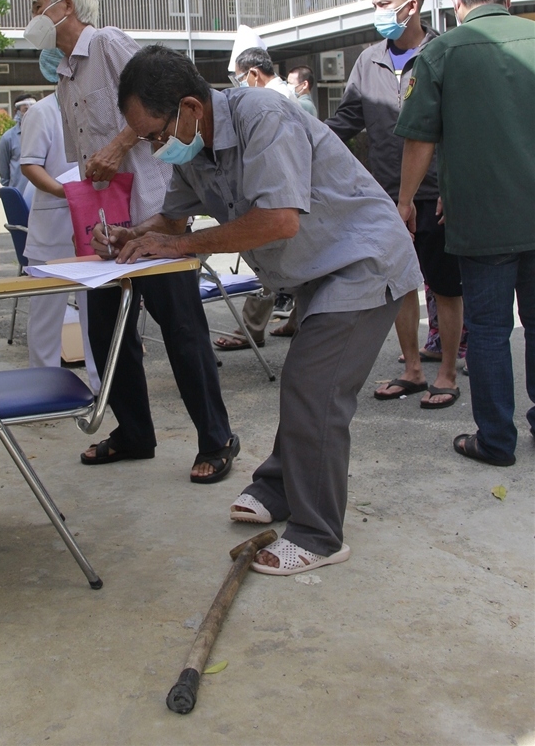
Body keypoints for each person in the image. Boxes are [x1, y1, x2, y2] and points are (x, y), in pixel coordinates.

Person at [103, 45, 421, 575]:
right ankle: (277, 487)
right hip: (316, 269)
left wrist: (183, 247)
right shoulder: (194, 145)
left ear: (190, 107)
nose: (157, 147)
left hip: (363, 260)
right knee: (307, 381)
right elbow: (175, 220)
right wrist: (132, 234)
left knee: (313, 385)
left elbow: (278, 220)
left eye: (157, 134)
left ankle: (318, 535)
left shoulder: (263, 117)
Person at [23, 0, 236, 483]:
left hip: (156, 211)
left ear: (64, 8)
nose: (31, 18)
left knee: (182, 329)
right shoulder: (64, 74)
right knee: (103, 332)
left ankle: (216, 438)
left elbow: (154, 104)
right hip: (108, 224)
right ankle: (135, 432)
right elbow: (84, 163)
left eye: (36, 7)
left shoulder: (110, 44)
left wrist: (118, 145)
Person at [395, 0, 535, 466]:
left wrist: (407, 201)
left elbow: (418, 140)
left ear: (456, 0)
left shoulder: (441, 53)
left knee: (492, 333)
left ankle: (497, 442)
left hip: (481, 220)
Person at [326, 0, 464, 409]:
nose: (379, 14)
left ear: (412, 5)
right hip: (386, 194)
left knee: (445, 287)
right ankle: (412, 369)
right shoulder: (369, 60)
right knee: (400, 284)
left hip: (436, 192)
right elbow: (346, 119)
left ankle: (446, 372)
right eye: (375, 6)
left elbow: (464, 126)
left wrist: (454, 185)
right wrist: (305, 140)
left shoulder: (446, 52)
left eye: (385, 5)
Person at [19, 48, 99, 389]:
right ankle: (44, 383)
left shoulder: (93, 108)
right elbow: (30, 164)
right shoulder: (41, 111)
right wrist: (63, 192)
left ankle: (101, 384)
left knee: (95, 313)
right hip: (54, 225)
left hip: (91, 225)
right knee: (46, 314)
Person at [215, 46, 295, 352]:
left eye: (239, 77)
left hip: (280, 195)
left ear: (253, 73)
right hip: (283, 193)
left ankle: (252, 328)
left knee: (272, 266)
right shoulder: (280, 94)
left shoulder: (270, 102)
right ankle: (292, 322)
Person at [0, 96, 36, 195]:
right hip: (19, 194)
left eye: (33, 108)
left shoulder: (46, 134)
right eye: (25, 109)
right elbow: (4, 174)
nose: (30, 113)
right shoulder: (7, 138)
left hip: (43, 195)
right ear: (17, 112)